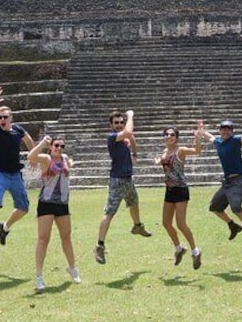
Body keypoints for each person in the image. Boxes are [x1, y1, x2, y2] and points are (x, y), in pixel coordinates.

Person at [0, 86, 35, 259]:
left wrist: (32, 156)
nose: (2, 120)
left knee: (23, 208)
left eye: (5, 117)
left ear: (11, 118)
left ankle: (5, 227)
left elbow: (28, 140)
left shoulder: (18, 130)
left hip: (15, 175)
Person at [94, 110, 151, 265]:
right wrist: (131, 116)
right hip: (117, 181)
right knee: (109, 212)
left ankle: (138, 226)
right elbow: (129, 133)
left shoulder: (124, 137)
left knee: (134, 203)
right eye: (116, 123)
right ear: (111, 125)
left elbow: (131, 136)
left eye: (121, 122)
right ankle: (99, 245)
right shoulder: (112, 137)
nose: (119, 125)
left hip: (127, 179)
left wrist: (134, 154)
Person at [27, 135, 81, 292]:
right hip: (46, 203)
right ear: (51, 147)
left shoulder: (64, 158)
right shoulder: (45, 159)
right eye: (56, 145)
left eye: (62, 146)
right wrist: (42, 143)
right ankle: (39, 276)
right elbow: (31, 156)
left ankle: (72, 268)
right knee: (43, 239)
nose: (59, 148)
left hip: (62, 203)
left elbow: (68, 165)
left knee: (66, 237)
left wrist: (70, 163)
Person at [200, 118, 242, 248]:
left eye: (228, 129)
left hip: (239, 179)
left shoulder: (235, 140)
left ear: (232, 131)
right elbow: (210, 137)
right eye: (223, 129)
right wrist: (202, 131)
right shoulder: (219, 142)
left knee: (235, 207)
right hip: (227, 182)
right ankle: (233, 225)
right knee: (215, 207)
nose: (225, 132)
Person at [154, 124, 204, 269]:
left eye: (172, 135)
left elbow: (197, 151)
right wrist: (158, 162)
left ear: (176, 138)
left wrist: (198, 139)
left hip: (181, 190)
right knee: (166, 223)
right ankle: (179, 249)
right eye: (167, 134)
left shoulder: (180, 150)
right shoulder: (164, 152)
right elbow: (164, 163)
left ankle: (195, 251)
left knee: (181, 224)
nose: (169, 137)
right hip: (169, 191)